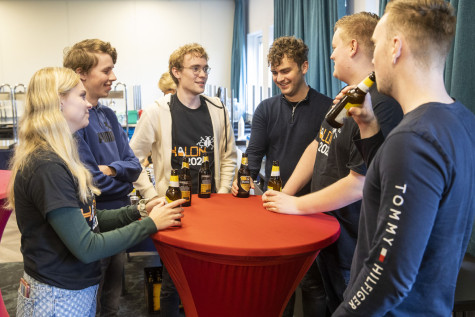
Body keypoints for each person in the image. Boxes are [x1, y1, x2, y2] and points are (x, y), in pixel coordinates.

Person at [331, 1, 475, 315]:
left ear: (395, 47)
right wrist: (368, 126)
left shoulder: (412, 141)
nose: (374, 58)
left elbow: (388, 277)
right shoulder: (461, 120)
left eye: (377, 45)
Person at [8, 67, 184, 317]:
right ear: (59, 102)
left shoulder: (60, 156)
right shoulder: (47, 165)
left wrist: (140, 210)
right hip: (57, 297)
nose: (88, 104)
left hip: (70, 291)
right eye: (80, 96)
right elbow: (87, 246)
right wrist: (150, 225)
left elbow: (89, 219)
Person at [262, 12, 403, 313]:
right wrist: (286, 193)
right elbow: (318, 145)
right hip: (329, 232)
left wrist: (298, 205)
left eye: (335, 45)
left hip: (354, 243)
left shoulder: (381, 104)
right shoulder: (345, 98)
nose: (331, 54)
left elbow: (361, 182)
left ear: (353, 46)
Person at [130, 42, 237, 317]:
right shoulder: (157, 111)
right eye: (195, 68)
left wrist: (223, 193)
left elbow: (228, 156)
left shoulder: (218, 109)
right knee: (172, 283)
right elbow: (132, 159)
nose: (202, 74)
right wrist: (153, 197)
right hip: (175, 211)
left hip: (213, 209)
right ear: (176, 72)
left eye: (205, 68)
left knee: (212, 277)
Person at [232, 35, 333, 317]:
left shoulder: (327, 109)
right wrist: (244, 179)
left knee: (313, 285)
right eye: (274, 72)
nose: (279, 78)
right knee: (279, 284)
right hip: (274, 207)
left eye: (285, 71)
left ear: (304, 66)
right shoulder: (266, 108)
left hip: (313, 209)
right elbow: (254, 155)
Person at [63, 39, 142, 316]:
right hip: (94, 224)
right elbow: (92, 181)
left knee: (112, 300)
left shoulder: (108, 114)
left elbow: (135, 166)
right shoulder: (74, 122)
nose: (113, 77)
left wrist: (113, 169)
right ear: (81, 72)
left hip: (119, 215)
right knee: (91, 301)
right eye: (106, 71)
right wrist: (121, 174)